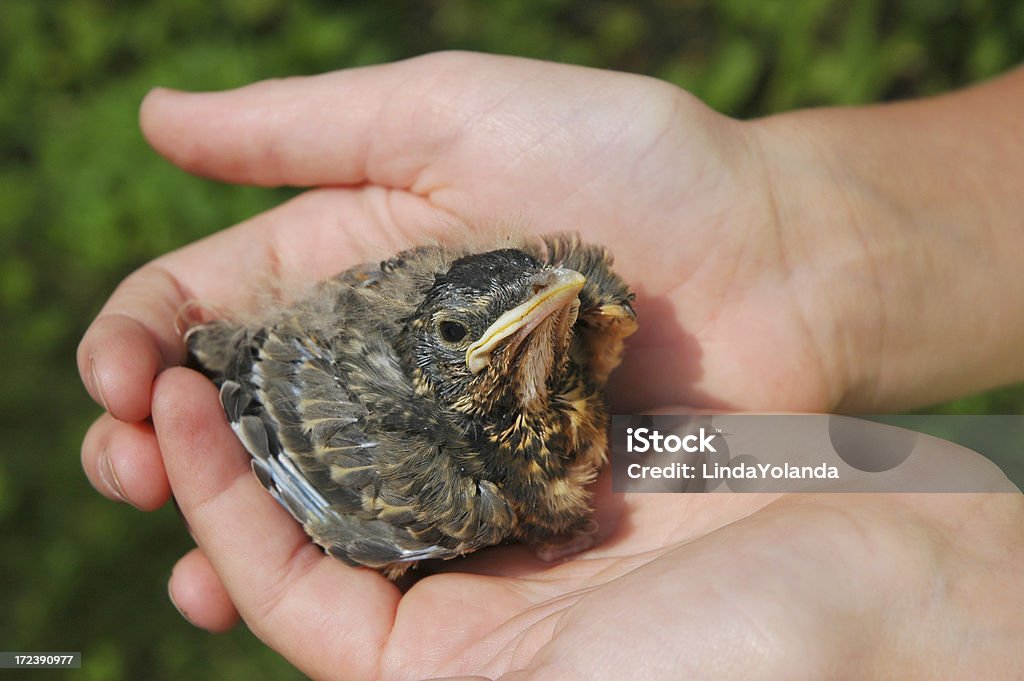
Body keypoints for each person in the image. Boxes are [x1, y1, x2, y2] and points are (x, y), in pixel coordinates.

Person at [77, 52, 1024, 680]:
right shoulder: (443, 485)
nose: (548, 315)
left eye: (547, 305)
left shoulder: (580, 318)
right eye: (458, 338)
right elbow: (260, 414)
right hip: (285, 369)